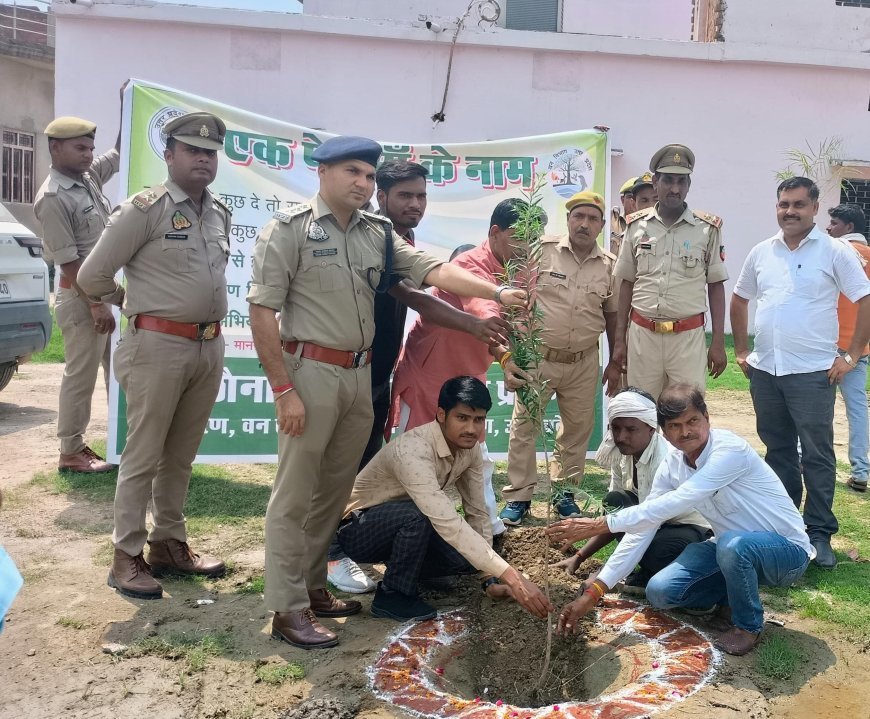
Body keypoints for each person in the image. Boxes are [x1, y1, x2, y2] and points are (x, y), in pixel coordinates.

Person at [246, 135, 527, 650]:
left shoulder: (376, 235)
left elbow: (433, 272)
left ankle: (314, 587)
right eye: (352, 171)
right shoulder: (289, 230)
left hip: (361, 376)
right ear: (323, 172)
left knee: (335, 491)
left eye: (369, 174)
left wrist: (497, 290)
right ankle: (287, 608)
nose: (361, 182)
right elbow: (262, 311)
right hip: (310, 372)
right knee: (295, 494)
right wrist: (283, 389)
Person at [327, 160, 508, 594]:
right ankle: (331, 554)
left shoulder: (402, 240)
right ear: (381, 196)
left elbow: (432, 284)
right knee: (336, 467)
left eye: (421, 196)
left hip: (375, 371)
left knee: (365, 462)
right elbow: (415, 297)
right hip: (342, 368)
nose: (415, 204)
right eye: (404, 195)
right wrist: (478, 322)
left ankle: (392, 550)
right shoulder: (369, 235)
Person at [78, 112, 231, 599]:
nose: (203, 159)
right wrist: (130, 301)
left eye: (210, 152)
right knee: (143, 454)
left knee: (181, 455)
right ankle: (126, 554)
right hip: (156, 346)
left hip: (208, 345)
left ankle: (168, 542)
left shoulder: (218, 211)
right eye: (192, 150)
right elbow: (91, 276)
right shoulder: (144, 210)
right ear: (169, 155)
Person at [547, 384, 813, 657]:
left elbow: (680, 500)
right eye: (675, 426)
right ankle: (728, 597)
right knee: (660, 592)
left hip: (787, 551)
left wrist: (599, 524)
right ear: (663, 431)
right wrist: (595, 591)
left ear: (707, 418)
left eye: (692, 421)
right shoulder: (673, 464)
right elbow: (645, 526)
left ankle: (748, 626)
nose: (685, 432)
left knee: (734, 545)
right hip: (726, 547)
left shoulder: (729, 449)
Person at [731, 178, 870, 568]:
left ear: (814, 208)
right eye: (783, 204)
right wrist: (741, 351)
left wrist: (852, 355)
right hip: (766, 372)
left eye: (798, 204)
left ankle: (819, 531)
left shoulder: (835, 251)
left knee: (817, 454)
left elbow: (865, 299)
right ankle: (785, 523)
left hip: (813, 373)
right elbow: (740, 299)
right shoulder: (762, 251)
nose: (789, 211)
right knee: (778, 451)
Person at [336, 376, 552, 621]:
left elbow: (477, 512)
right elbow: (446, 521)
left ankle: (413, 573)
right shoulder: (413, 450)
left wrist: (489, 579)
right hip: (356, 531)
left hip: (404, 523)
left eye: (478, 419)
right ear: (441, 415)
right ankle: (392, 596)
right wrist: (514, 578)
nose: (471, 429)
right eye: (462, 418)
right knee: (418, 517)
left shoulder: (470, 449)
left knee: (469, 558)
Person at [389, 198, 541, 539]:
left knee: (476, 458)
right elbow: (484, 310)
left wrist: (509, 358)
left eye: (533, 239)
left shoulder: (524, 270)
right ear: (495, 232)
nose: (526, 247)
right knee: (414, 459)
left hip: (469, 376)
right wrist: (505, 345)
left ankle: (489, 532)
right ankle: (403, 535)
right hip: (429, 374)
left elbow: (516, 324)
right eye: (519, 237)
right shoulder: (468, 264)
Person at [497, 191, 621, 526]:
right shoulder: (541, 251)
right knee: (525, 426)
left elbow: (612, 317)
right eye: (578, 216)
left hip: (583, 361)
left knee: (577, 430)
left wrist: (615, 361)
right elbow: (516, 302)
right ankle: (519, 497)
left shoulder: (609, 265)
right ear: (568, 219)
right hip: (539, 357)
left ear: (601, 225)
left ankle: (564, 495)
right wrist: (517, 349)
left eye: (592, 219)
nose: (584, 224)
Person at [34, 97, 124, 474]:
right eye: (80, 148)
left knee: (119, 371)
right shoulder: (53, 197)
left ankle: (120, 441)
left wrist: (127, 104)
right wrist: (96, 305)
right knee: (81, 377)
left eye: (90, 148)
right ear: (56, 148)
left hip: (104, 294)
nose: (89, 154)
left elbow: (118, 154)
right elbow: (70, 262)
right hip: (81, 298)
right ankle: (71, 452)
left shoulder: (86, 178)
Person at [552, 387, 710, 591]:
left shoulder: (664, 460)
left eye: (631, 429)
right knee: (615, 500)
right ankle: (645, 570)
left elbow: (644, 525)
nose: (621, 437)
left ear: (651, 428)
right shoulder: (623, 453)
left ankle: (656, 574)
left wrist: (604, 576)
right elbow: (616, 516)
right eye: (615, 428)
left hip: (693, 532)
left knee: (660, 549)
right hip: (654, 525)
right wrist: (579, 557)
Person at [611, 144, 729, 399]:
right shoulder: (636, 226)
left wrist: (718, 341)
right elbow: (626, 284)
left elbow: (716, 285)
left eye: (681, 181)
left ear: (689, 185)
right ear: (655, 183)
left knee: (686, 409)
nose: (675, 188)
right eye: (668, 180)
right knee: (642, 408)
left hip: (687, 339)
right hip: (643, 336)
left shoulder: (707, 229)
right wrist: (620, 341)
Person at [827, 204, 870, 493]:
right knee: (857, 409)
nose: (829, 227)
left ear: (848, 227)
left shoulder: (832, 252)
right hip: (858, 349)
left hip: (827, 346)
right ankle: (861, 471)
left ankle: (805, 458)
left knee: (818, 407)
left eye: (834, 223)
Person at [609, 176, 637, 255]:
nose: (634, 201)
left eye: (637, 198)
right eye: (630, 197)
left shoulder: (652, 224)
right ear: (622, 200)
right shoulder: (612, 222)